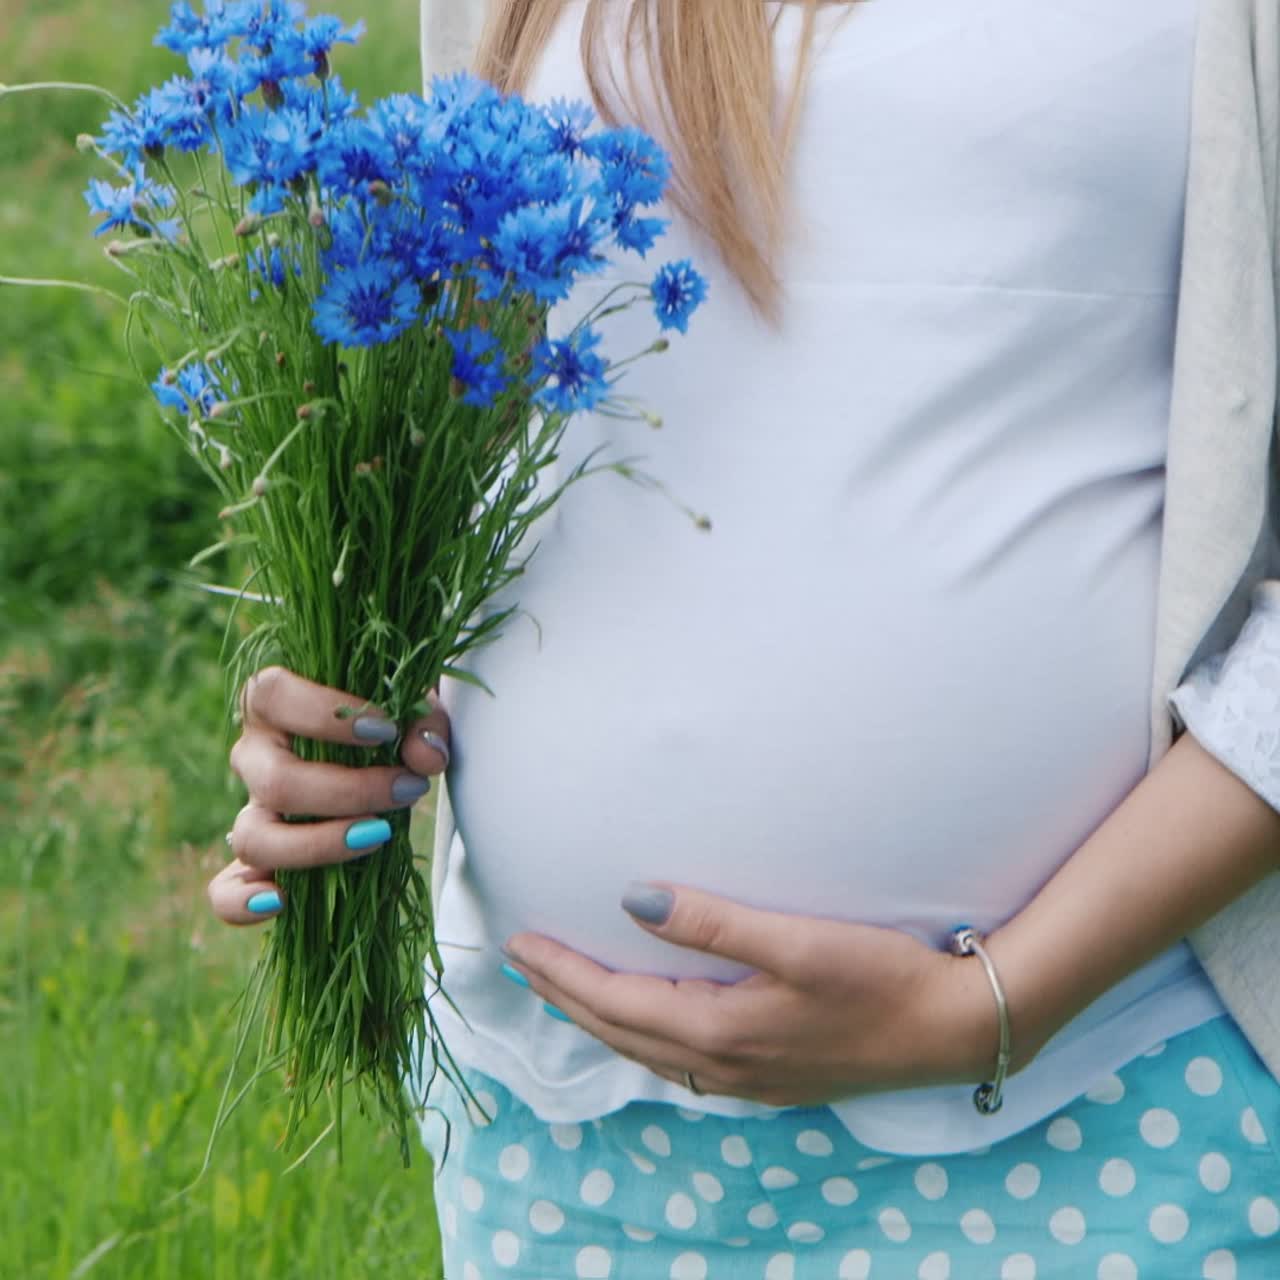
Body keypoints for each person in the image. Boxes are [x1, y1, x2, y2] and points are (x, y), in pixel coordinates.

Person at [209, 0, 1280, 1275]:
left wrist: (991, 1003)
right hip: (570, 1121)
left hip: (1105, 1084)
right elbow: (493, 403)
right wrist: (357, 689)